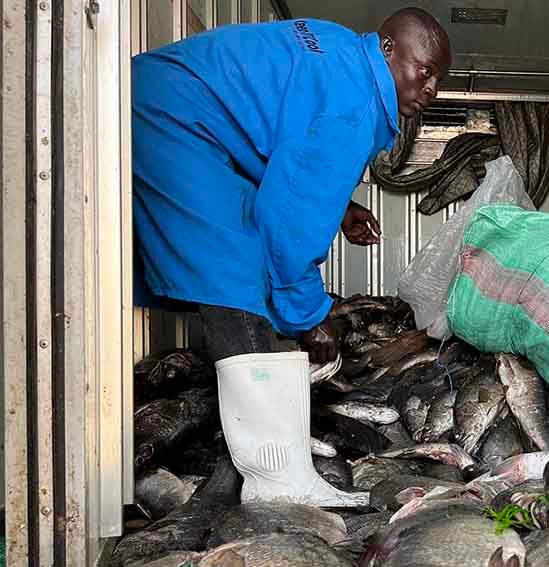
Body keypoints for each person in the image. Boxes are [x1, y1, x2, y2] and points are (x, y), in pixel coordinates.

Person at [130, 7, 452, 507]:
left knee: (242, 261)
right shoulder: (356, 104)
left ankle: (265, 459)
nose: (430, 87)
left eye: (438, 79)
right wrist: (309, 315)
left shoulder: (345, 57)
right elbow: (291, 215)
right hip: (176, 116)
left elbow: (287, 147)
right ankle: (278, 480)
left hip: (173, 103)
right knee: (232, 271)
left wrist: (341, 206)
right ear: (389, 50)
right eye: (424, 69)